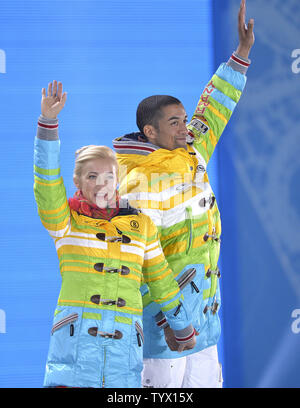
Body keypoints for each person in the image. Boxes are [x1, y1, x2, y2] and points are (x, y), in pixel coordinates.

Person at [113, 0, 255, 388]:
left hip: (205, 324)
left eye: (183, 120)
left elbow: (214, 109)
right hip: (163, 331)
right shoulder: (135, 181)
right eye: (174, 123)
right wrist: (173, 322)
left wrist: (240, 55)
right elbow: (145, 260)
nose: (185, 127)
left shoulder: (191, 151)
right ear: (149, 133)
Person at [33, 80, 195, 388]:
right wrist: (48, 124)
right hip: (75, 356)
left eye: (108, 175)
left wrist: (182, 326)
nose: (101, 183)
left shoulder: (141, 227)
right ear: (78, 182)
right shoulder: (65, 221)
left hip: (125, 356)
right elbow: (46, 182)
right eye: (92, 176)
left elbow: (161, 279)